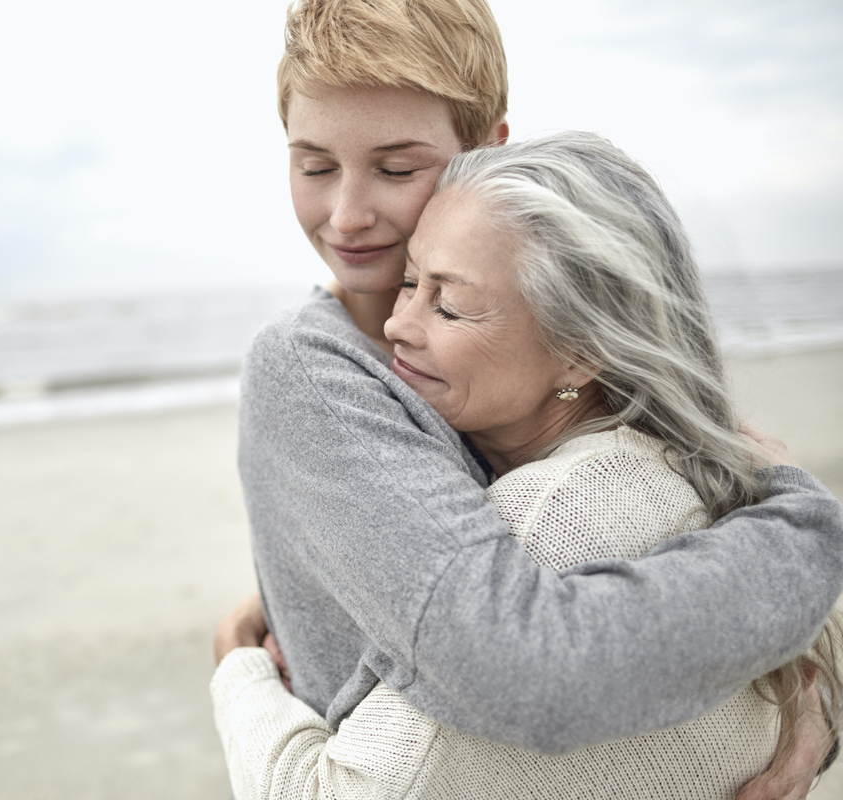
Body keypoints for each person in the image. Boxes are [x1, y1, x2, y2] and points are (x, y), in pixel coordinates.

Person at [213, 0, 843, 796]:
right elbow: (516, 662)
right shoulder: (316, 371)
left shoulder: (565, 334)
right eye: (313, 166)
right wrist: (807, 533)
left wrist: (814, 709)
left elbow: (707, 499)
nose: (348, 215)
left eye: (398, 168)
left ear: (484, 150)